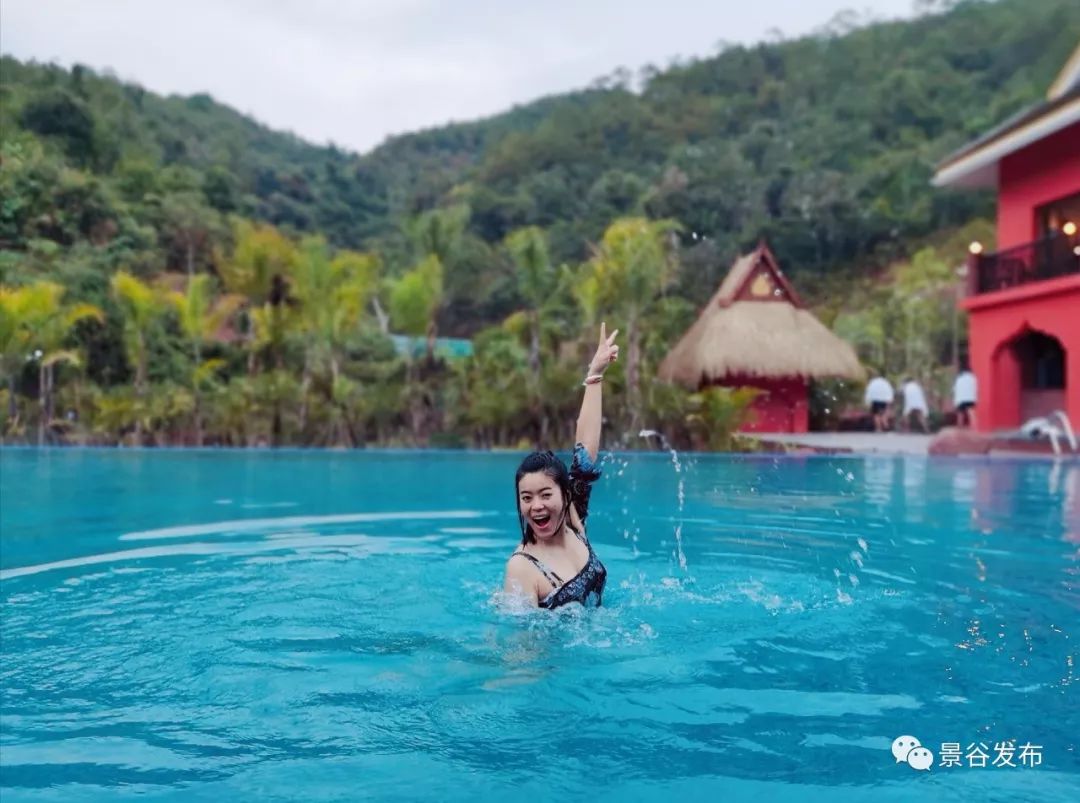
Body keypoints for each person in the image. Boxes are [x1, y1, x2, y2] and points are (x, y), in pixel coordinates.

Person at [503, 322, 619, 609]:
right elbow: (522, 646)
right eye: (526, 498)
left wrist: (595, 375)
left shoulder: (573, 519)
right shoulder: (522, 568)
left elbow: (585, 455)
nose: (536, 506)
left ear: (565, 495)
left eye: (545, 494)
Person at [953, 362, 978, 429]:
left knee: (960, 415)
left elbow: (955, 389)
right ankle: (975, 428)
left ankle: (959, 429)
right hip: (970, 397)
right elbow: (975, 387)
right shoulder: (973, 377)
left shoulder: (959, 379)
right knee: (971, 413)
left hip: (960, 399)